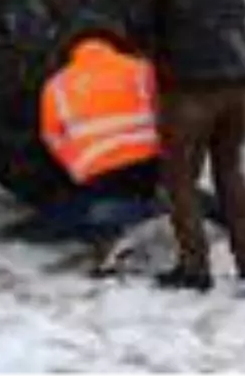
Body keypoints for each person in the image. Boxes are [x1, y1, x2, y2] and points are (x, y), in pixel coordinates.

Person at [129, 0, 245, 295]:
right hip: (239, 80)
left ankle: (194, 267)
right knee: (230, 170)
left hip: (190, 86)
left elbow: (137, 22)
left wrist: (151, 52)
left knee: (180, 177)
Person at [37, 18, 163, 243]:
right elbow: (162, 111)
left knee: (56, 219)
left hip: (100, 173)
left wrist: (78, 167)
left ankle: (118, 215)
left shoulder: (56, 85)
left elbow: (50, 136)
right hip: (150, 166)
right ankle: (159, 204)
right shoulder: (140, 69)